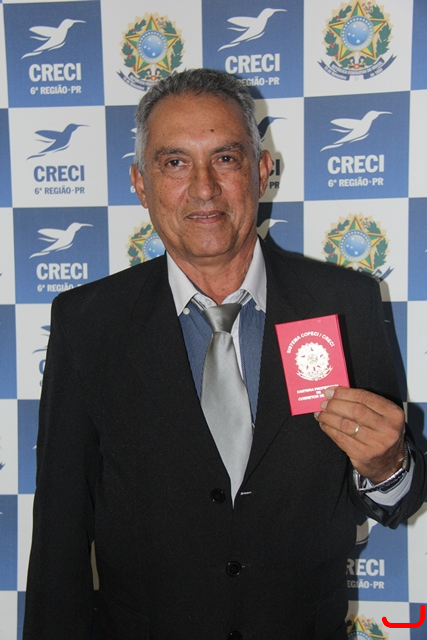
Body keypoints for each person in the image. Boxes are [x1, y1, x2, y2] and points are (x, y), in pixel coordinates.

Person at [24, 68, 426, 640]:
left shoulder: (344, 303)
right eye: (175, 162)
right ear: (141, 184)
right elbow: (60, 532)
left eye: (226, 159)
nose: (204, 188)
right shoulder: (88, 323)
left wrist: (388, 467)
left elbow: (400, 499)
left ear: (261, 171)